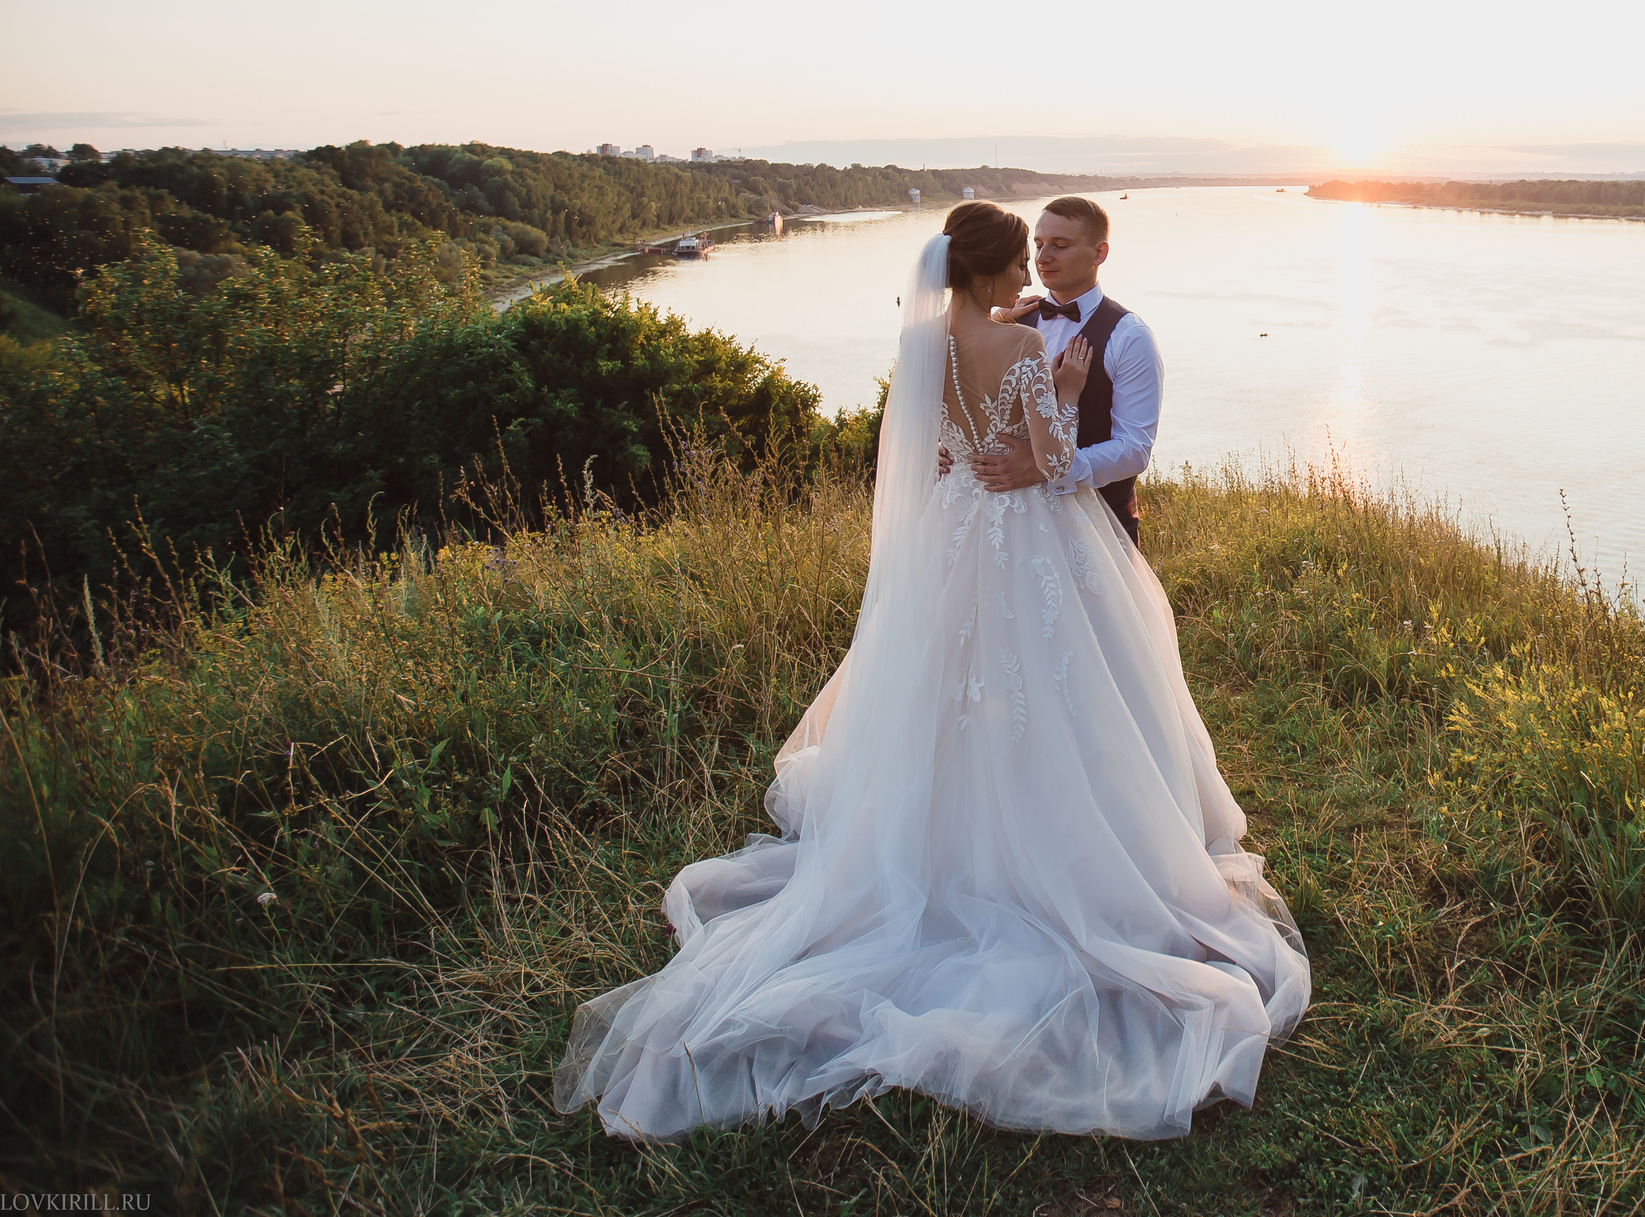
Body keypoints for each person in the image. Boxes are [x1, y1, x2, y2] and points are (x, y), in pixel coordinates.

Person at [554, 202, 1309, 1142]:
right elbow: (1053, 459)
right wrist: (1065, 393)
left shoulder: (921, 345)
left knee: (949, 691)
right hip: (1026, 535)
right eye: (1026, 254)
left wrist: (1005, 439)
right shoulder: (1027, 348)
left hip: (952, 534)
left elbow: (945, 451)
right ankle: (1059, 849)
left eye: (1057, 245)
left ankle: (943, 832)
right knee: (1060, 689)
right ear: (999, 270)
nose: (1037, 266)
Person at [950, 195, 1163, 546]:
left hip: (1099, 533)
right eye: (1038, 244)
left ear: (1099, 253)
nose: (1043, 258)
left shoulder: (1130, 337)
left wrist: (1047, 469)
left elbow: (1134, 448)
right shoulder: (1007, 321)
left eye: (1060, 246)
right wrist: (949, 448)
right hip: (1008, 528)